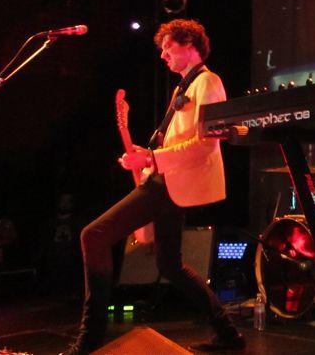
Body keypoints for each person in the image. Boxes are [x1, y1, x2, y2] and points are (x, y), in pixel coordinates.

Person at [63, 18, 245, 354]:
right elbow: (172, 144)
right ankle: (229, 335)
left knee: (93, 236)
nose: (163, 55)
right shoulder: (183, 87)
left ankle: (89, 339)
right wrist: (144, 156)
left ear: (190, 45)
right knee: (170, 266)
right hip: (168, 181)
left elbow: (205, 145)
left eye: (168, 47)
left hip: (169, 184)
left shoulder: (208, 82)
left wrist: (151, 158)